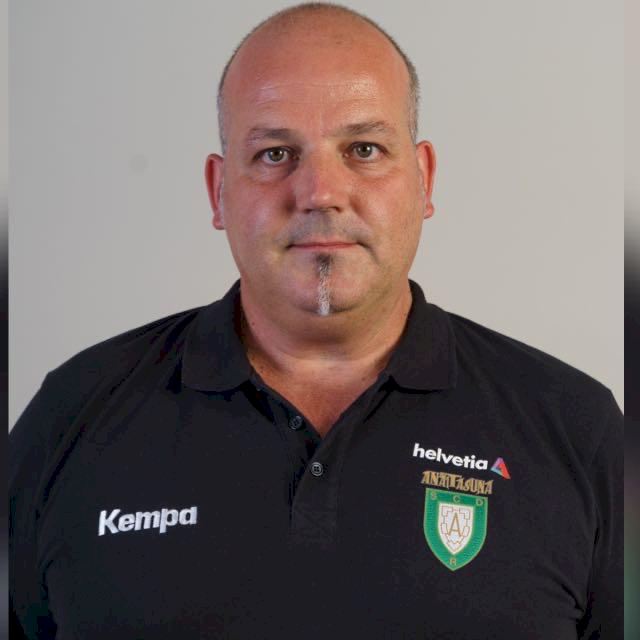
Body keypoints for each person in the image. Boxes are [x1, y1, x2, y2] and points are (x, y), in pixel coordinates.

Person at [10, 3, 622, 639]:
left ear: (424, 178)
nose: (320, 192)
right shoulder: (71, 418)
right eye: (275, 153)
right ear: (218, 191)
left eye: (364, 149)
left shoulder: (575, 430)